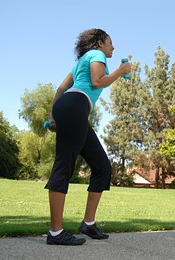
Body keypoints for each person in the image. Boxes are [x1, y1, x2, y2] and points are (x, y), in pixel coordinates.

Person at [45, 29, 131, 245]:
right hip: (75, 106)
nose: (113, 47)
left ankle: (88, 224)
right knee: (63, 165)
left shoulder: (82, 60)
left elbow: (61, 88)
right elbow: (97, 81)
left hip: (70, 108)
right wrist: (121, 70)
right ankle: (55, 233)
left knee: (102, 167)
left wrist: (54, 115)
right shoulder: (97, 55)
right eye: (111, 42)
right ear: (100, 42)